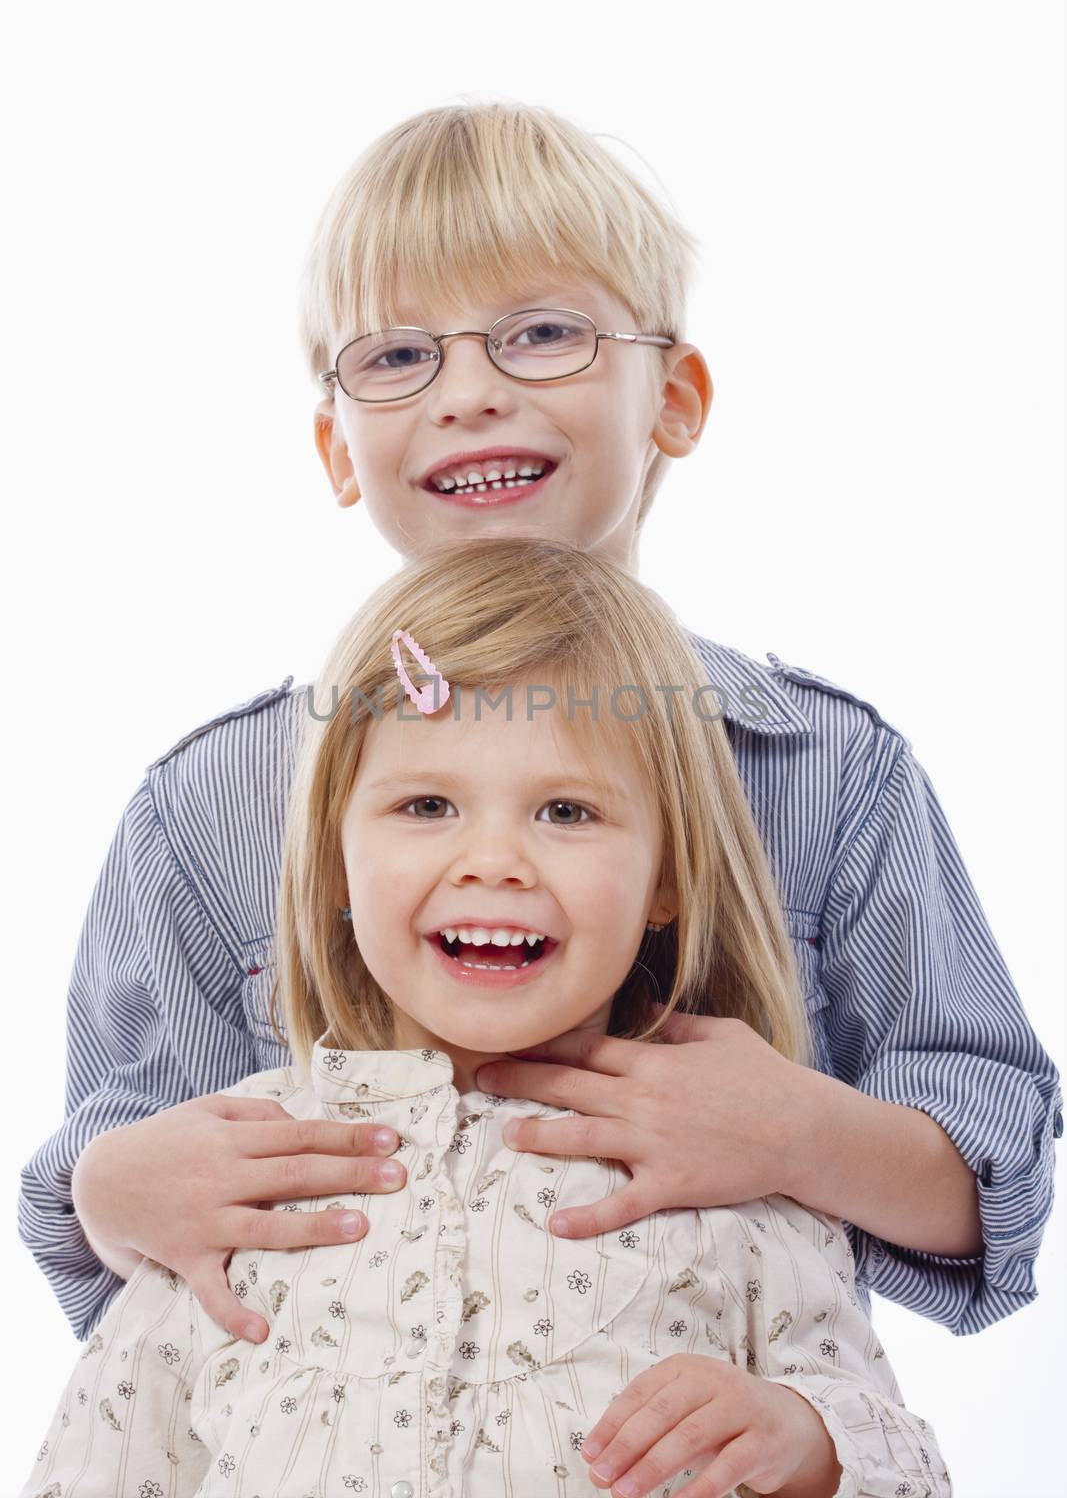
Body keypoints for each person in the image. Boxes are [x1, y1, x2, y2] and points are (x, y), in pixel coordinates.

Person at [19, 104, 1061, 1356]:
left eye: (545, 333)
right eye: (397, 357)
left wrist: (794, 1129)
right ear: (334, 446)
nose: (468, 391)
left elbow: (989, 1189)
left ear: (673, 398)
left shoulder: (824, 767)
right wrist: (105, 1194)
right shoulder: (209, 801)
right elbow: (115, 1189)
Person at [21, 539, 952, 1498]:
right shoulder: (238, 1179)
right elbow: (101, 1458)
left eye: (566, 811)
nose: (492, 860)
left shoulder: (731, 1173)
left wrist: (803, 1442)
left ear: (666, 878)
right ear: (336, 860)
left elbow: (904, 1460)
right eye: (427, 804)